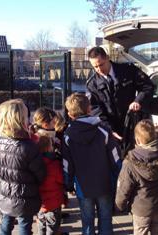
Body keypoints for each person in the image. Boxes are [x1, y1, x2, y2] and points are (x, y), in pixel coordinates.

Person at [62, 93, 121, 235]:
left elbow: (67, 164)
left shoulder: (68, 135)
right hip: (105, 183)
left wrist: (68, 184)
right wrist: (120, 179)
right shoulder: (104, 130)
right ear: (89, 109)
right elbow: (115, 158)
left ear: (70, 114)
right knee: (106, 218)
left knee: (87, 220)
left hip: (83, 187)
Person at [0, 99, 46, 235]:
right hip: (25, 196)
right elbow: (40, 173)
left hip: (5, 194)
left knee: (5, 224)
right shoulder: (29, 147)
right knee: (25, 226)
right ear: (21, 121)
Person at [115, 119, 158, 235]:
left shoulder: (130, 162)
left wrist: (119, 204)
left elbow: (124, 187)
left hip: (140, 208)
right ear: (155, 138)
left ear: (137, 140)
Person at [86, 46, 154, 139]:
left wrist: (138, 101)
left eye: (101, 65)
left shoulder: (128, 71)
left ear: (107, 58)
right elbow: (96, 111)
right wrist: (109, 130)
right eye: (95, 67)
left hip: (132, 124)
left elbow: (148, 86)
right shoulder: (92, 84)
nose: (99, 70)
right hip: (111, 130)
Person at [37, 134, 67, 235]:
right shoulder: (54, 164)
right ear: (50, 147)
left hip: (40, 204)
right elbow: (61, 180)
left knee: (41, 226)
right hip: (53, 203)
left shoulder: (35, 163)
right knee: (52, 228)